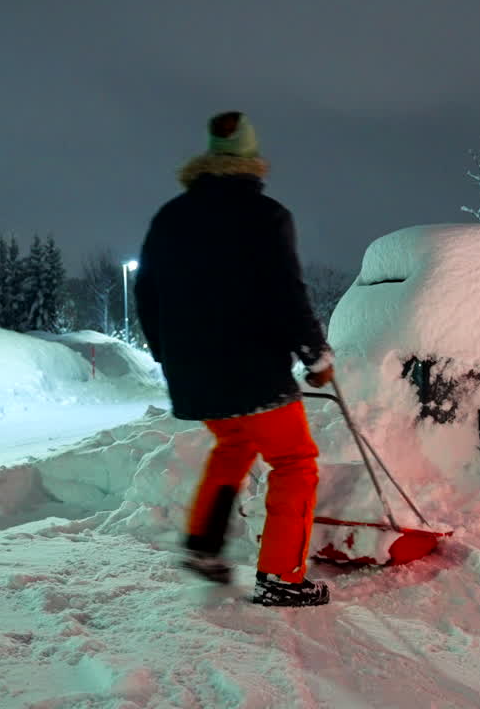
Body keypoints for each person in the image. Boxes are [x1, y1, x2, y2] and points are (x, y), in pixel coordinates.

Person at [134, 111, 334, 608]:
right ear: (250, 159)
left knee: (234, 446)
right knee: (295, 461)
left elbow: (147, 294)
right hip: (253, 371)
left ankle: (203, 546)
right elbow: (287, 291)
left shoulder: (170, 216)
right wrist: (314, 354)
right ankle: (283, 577)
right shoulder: (265, 216)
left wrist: (170, 356)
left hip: (194, 374)